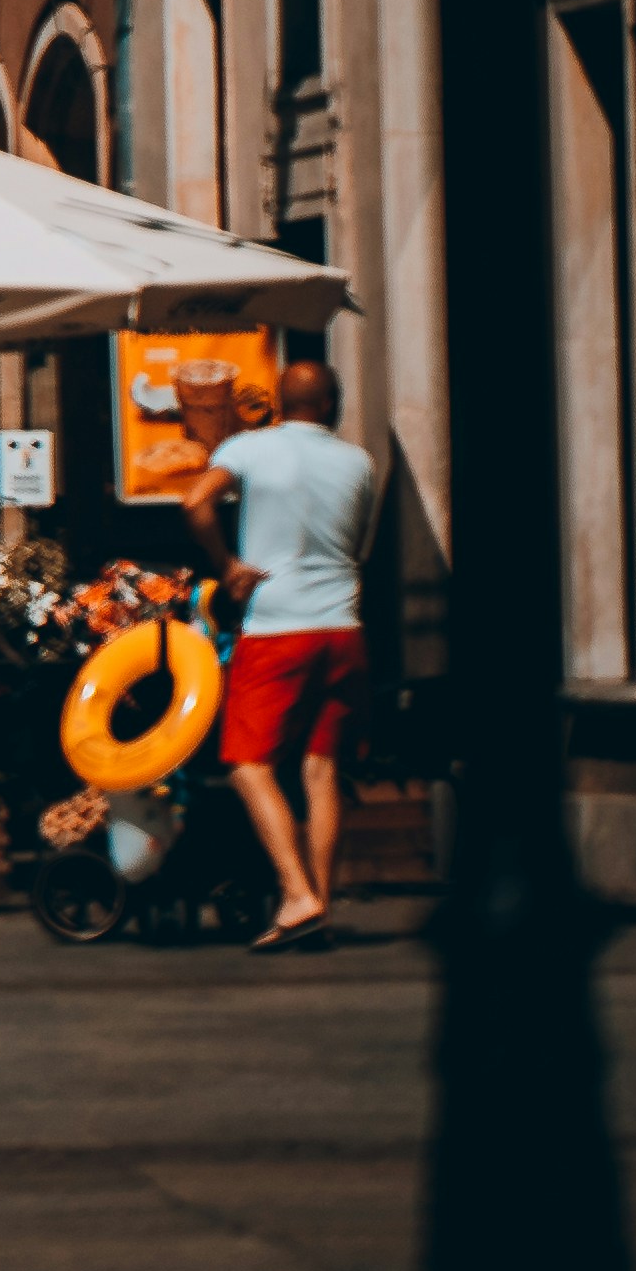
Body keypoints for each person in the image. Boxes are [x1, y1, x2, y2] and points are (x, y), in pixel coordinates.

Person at [187, 346, 385, 949]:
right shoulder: (360, 463)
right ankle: (318, 906)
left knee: (249, 765)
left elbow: (195, 501)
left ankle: (296, 894)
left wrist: (227, 566)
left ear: (279, 402)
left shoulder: (249, 448)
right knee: (322, 769)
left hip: (276, 629)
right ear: (331, 405)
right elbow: (363, 548)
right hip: (344, 628)